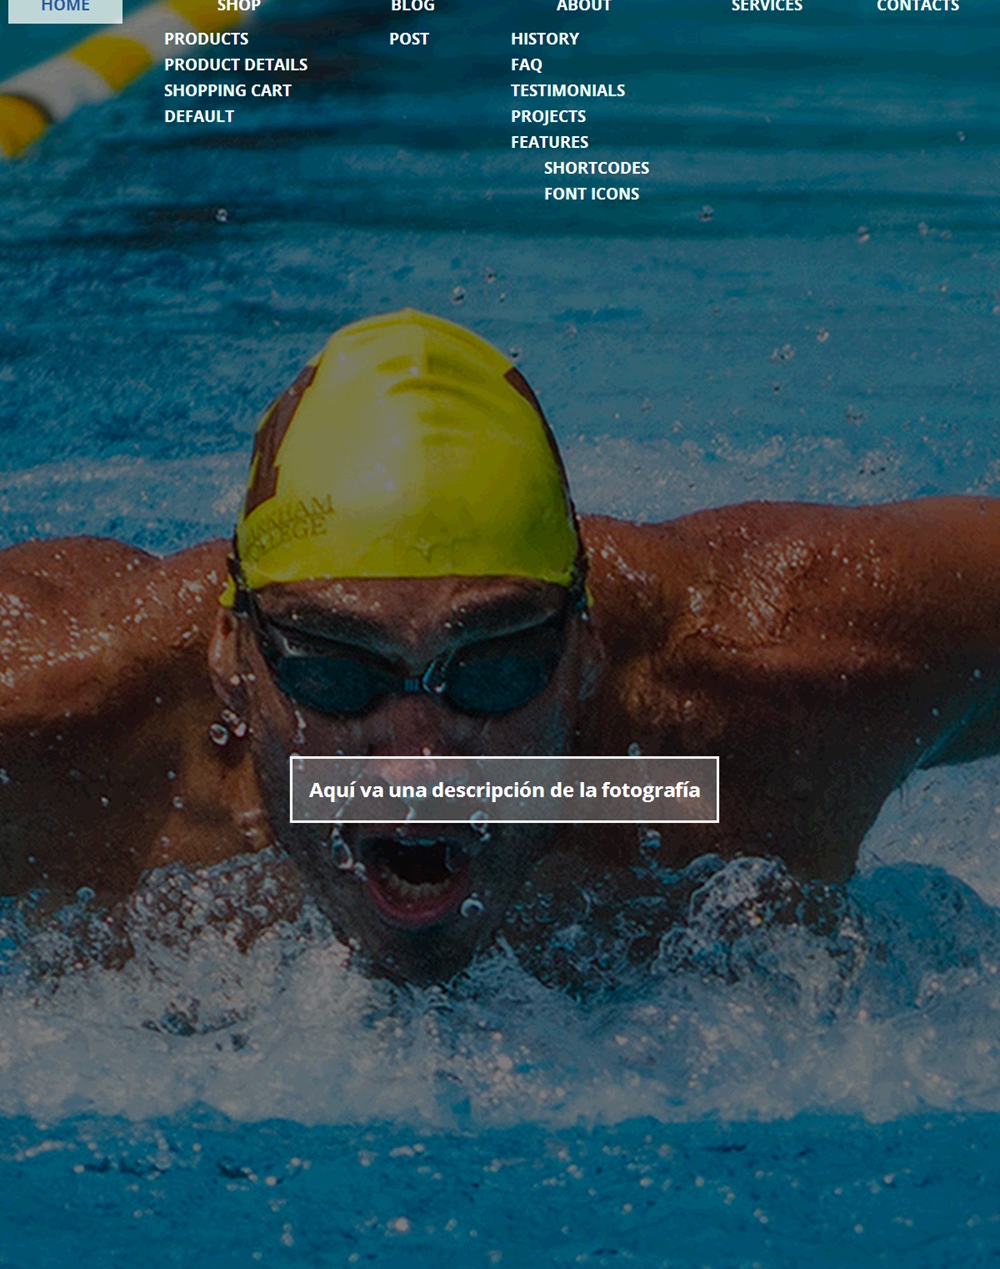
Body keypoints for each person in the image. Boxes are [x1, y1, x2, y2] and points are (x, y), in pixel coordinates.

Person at [2, 307, 1000, 981]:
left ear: (585, 650)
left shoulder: (762, 684)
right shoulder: (59, 715)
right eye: (336, 671)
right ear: (230, 653)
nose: (417, 766)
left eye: (493, 669)